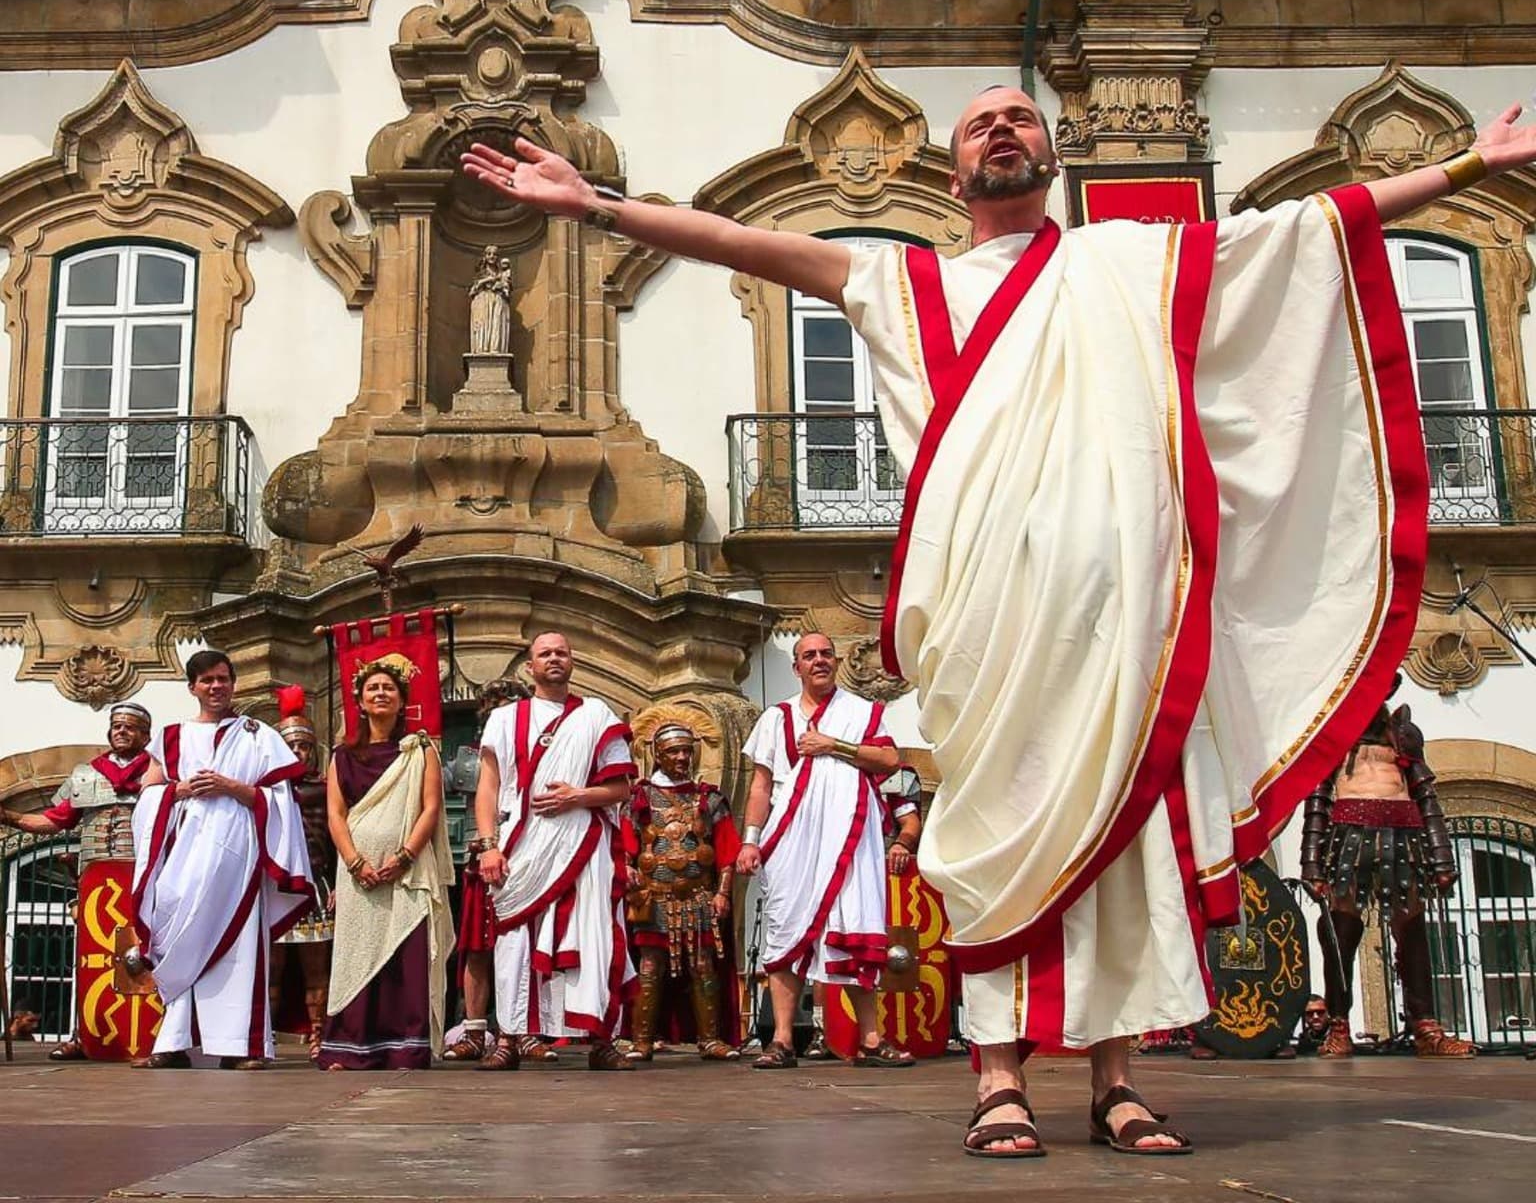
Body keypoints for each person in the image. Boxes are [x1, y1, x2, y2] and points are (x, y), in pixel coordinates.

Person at [462, 92, 1536, 1155]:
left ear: (1052, 157)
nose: (1003, 131)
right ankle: (999, 1078)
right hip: (983, 618)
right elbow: (745, 241)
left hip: (1121, 627)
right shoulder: (905, 278)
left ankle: (1117, 1083)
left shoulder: (1122, 266)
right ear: (953, 170)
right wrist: (598, 204)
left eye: (1021, 119)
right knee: (992, 836)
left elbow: (1306, 228)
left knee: (1123, 851)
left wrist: (1472, 169)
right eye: (980, 125)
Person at [130, 650, 313, 1069]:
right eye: (208, 680)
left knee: (240, 945)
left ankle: (241, 1048)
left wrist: (231, 786)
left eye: (224, 679)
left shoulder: (257, 734)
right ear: (192, 687)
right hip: (185, 853)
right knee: (176, 940)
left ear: (233, 683)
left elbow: (280, 800)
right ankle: (173, 1043)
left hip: (237, 854)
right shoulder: (172, 736)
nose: (217, 687)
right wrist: (181, 789)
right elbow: (149, 793)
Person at [737, 634, 905, 1070]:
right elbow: (760, 786)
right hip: (793, 840)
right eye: (808, 655)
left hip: (850, 839)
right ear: (796, 668)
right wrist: (751, 839)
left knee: (854, 927)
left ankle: (870, 1039)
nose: (819, 661)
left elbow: (889, 761)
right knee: (786, 930)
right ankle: (783, 1040)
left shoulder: (861, 712)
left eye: (826, 654)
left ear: (836, 661)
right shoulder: (777, 718)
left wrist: (835, 746)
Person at [472, 631, 637, 1071]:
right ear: (530, 666)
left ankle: (602, 1041)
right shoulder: (506, 719)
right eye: (545, 653)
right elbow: (487, 787)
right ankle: (508, 1036)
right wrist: (489, 846)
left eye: (561, 652)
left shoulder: (596, 716)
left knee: (595, 935)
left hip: (584, 844)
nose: (554, 659)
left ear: (572, 661)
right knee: (513, 941)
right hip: (520, 847)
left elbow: (622, 788)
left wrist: (577, 797)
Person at [1301, 688, 1473, 1059]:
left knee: (1412, 932)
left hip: (1403, 836)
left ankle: (1425, 1027)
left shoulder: (1403, 736)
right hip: (1348, 836)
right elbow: (1317, 800)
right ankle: (1339, 1025)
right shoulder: (1334, 734)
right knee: (1340, 933)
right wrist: (1312, 865)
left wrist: (1442, 859)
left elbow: (1426, 796)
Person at [319, 656, 455, 1071]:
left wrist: (405, 855)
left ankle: (404, 1048)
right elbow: (336, 815)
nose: (380, 694)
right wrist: (355, 861)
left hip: (406, 871)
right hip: (358, 872)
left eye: (389, 689)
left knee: (404, 958)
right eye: (372, 689)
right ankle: (347, 1046)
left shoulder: (419, 749)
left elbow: (430, 808)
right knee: (356, 954)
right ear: (359, 701)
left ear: (401, 701)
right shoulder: (342, 756)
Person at [1, 701, 153, 1061]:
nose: (121, 730)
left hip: (143, 873)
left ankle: (153, 1037)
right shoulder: (87, 774)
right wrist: (7, 816)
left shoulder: (158, 772)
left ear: (145, 735)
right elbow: (54, 820)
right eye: (116, 725)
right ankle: (84, 1036)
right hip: (96, 877)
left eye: (130, 726)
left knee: (143, 957)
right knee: (89, 960)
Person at [621, 722, 742, 1062]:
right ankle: (642, 1040)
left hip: (698, 895)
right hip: (654, 894)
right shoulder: (640, 796)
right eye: (674, 751)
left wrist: (723, 893)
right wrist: (627, 869)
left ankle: (711, 1039)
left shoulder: (709, 797)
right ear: (658, 754)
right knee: (649, 966)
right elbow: (626, 844)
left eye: (687, 750)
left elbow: (726, 851)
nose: (681, 757)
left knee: (703, 965)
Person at [803, 761, 923, 1063]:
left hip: (872, 873)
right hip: (829, 867)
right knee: (825, 948)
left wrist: (901, 844)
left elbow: (909, 821)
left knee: (869, 952)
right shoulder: (825, 765)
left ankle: (873, 1036)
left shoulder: (893, 774)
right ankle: (821, 1030)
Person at [442, 679, 519, 1063]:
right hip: (479, 861)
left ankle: (521, 1032)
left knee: (521, 947)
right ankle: (474, 1029)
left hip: (525, 856)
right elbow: (429, 794)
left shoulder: (535, 754)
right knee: (476, 946)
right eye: (495, 709)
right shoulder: (467, 758)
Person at [269, 687, 336, 1063]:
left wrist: (340, 883)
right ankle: (265, 1037)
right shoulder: (263, 790)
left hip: (315, 884)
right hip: (278, 887)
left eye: (304, 747)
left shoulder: (327, 790)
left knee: (316, 969)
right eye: (292, 746)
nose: (298, 754)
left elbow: (340, 838)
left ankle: (318, 1037)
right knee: (272, 970)